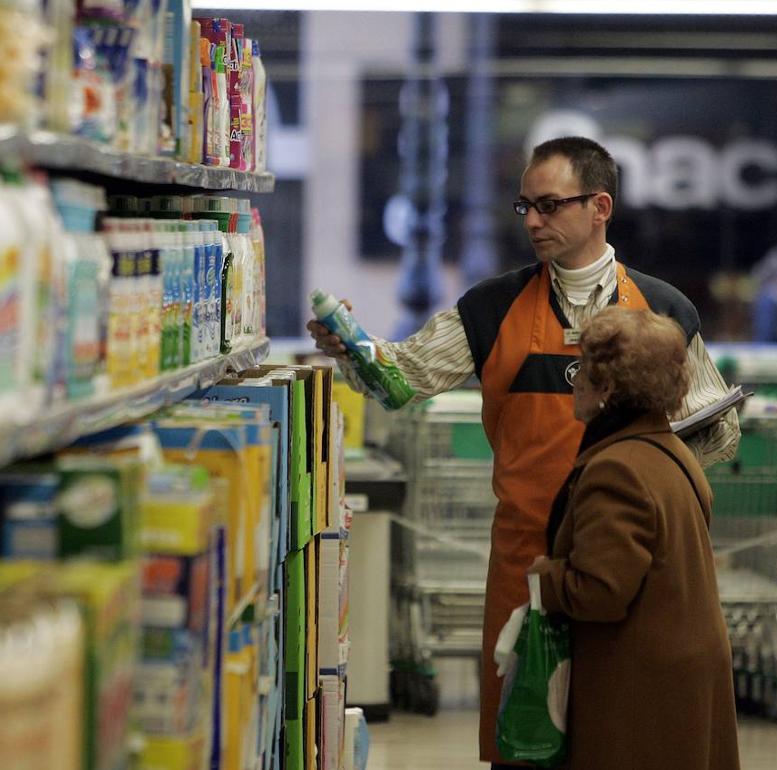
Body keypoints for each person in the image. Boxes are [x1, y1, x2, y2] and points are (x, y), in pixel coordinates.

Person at [307, 136, 740, 767]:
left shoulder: (665, 312)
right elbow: (404, 381)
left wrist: (638, 486)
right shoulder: (491, 308)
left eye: (550, 205)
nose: (533, 221)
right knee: (527, 740)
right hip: (526, 561)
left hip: (635, 570)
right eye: (525, 207)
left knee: (620, 734)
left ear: (600, 207)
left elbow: (718, 431)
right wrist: (351, 348)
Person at [528, 306, 740, 770]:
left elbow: (602, 592)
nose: (575, 380)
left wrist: (545, 578)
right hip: (682, 673)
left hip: (640, 684)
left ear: (607, 388)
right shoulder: (673, 454)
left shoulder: (617, 469)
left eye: (583, 368)